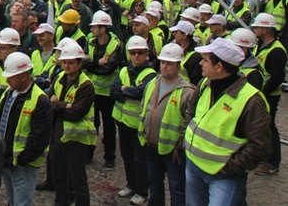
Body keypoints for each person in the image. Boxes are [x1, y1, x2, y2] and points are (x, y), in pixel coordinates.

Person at [184, 38, 272, 204]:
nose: (201, 63)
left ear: (219, 67)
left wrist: (229, 167)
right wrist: (186, 140)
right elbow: (190, 112)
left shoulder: (251, 100)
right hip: (193, 165)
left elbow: (260, 146)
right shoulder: (204, 84)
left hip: (224, 176)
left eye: (205, 60)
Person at [139, 43, 195, 206]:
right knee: (154, 185)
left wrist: (180, 147)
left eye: (169, 63)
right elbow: (144, 109)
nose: (164, 66)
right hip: (151, 145)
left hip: (173, 151)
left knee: (177, 187)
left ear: (178, 65)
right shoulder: (153, 84)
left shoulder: (187, 91)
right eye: (163, 62)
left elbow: (189, 123)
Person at [0, 52, 51, 206]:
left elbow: (40, 137)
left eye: (10, 77)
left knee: (22, 203)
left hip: (22, 165)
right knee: (12, 201)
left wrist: (22, 160)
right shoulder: (8, 93)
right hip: (7, 159)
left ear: (24, 76)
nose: (7, 79)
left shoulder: (39, 100)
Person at [110, 36, 156, 205]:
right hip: (122, 122)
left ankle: (142, 191)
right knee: (126, 156)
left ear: (146, 54)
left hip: (138, 125)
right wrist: (127, 91)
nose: (136, 56)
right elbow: (113, 91)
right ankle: (131, 185)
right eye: (133, 53)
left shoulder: (150, 75)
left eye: (140, 53)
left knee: (139, 160)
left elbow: (141, 93)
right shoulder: (124, 70)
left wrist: (125, 90)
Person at [49, 42, 96, 206]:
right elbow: (49, 102)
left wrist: (57, 104)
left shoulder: (86, 86)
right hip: (57, 137)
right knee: (59, 180)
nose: (66, 66)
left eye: (70, 63)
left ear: (79, 63)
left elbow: (76, 113)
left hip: (76, 140)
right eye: (64, 62)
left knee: (78, 182)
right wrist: (64, 105)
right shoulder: (59, 78)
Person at [83, 10, 122, 169]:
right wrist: (98, 63)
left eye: (95, 27)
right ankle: (89, 153)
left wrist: (91, 64)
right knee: (92, 124)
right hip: (92, 90)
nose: (92, 29)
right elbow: (83, 62)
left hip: (107, 92)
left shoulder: (115, 44)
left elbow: (109, 68)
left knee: (109, 126)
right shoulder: (90, 41)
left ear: (103, 28)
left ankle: (110, 157)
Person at [252, 12, 287, 175]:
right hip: (260, 93)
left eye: (257, 27)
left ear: (265, 30)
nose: (254, 29)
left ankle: (273, 162)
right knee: (261, 125)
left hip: (269, 95)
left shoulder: (277, 51)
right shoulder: (261, 44)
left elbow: (276, 78)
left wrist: (262, 94)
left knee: (269, 125)